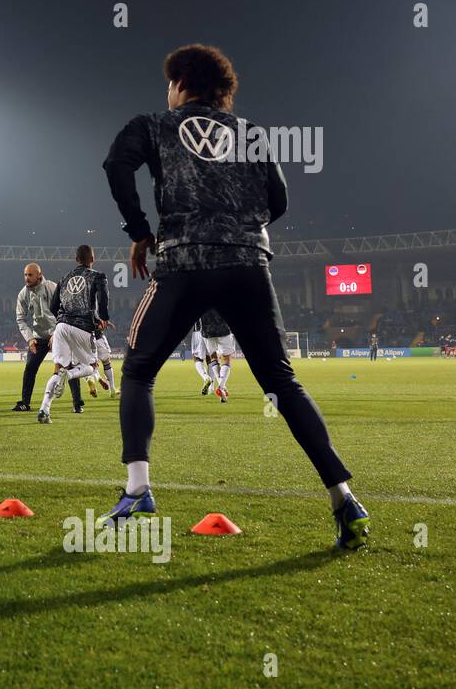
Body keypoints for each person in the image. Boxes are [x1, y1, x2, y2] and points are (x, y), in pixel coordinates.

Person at [99, 42, 366, 549]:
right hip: (248, 265)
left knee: (137, 369)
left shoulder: (154, 123)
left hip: (184, 262)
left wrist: (139, 230)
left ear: (179, 83)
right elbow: (279, 200)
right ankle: (344, 497)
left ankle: (138, 490)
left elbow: (116, 165)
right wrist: (242, 228)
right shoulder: (251, 134)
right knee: (282, 382)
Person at [36, 245, 111, 423]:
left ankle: (44, 409)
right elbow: (103, 298)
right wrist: (104, 318)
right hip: (83, 327)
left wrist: (63, 319)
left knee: (57, 370)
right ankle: (68, 375)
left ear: (76, 259)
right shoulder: (97, 276)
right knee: (92, 367)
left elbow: (53, 306)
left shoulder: (64, 279)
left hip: (61, 327)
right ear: (92, 258)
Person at [12, 262, 69, 411]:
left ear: (39, 274)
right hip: (38, 337)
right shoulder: (23, 294)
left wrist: (56, 333)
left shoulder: (51, 287)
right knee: (30, 367)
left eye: (30, 275)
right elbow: (20, 319)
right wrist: (30, 338)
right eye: (25, 275)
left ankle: (77, 404)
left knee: (66, 367)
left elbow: (65, 312)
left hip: (57, 333)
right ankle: (25, 403)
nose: (27, 278)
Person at [201, 309, 236, 401]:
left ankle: (223, 389)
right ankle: (221, 387)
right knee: (226, 358)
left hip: (207, 330)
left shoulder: (199, 295)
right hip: (223, 328)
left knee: (213, 357)